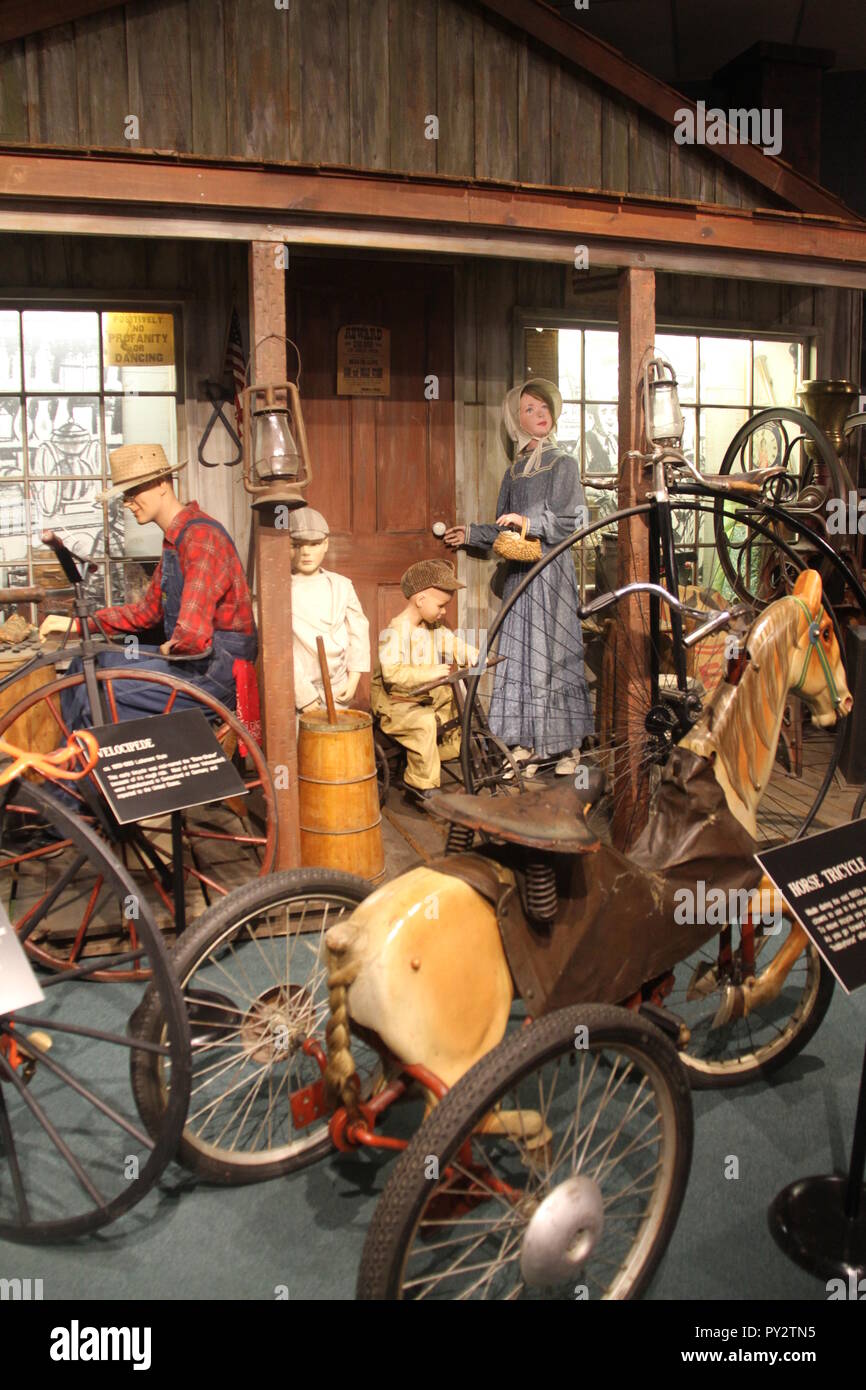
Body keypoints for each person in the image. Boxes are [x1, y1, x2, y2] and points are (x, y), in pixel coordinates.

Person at [39, 444, 257, 728]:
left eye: (133, 493)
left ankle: (82, 767)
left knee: (98, 691)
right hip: (192, 661)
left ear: (161, 485)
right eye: (125, 496)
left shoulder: (201, 538)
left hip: (215, 670)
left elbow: (191, 637)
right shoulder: (174, 540)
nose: (128, 503)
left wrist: (175, 646)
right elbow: (147, 612)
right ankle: (66, 761)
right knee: (86, 665)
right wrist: (82, 625)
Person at [445, 378, 592, 775]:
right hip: (519, 578)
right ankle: (527, 744)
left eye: (543, 406)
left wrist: (530, 521)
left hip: (550, 575)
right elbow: (502, 527)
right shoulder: (513, 474)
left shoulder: (563, 463)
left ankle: (566, 750)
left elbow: (575, 520)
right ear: (516, 420)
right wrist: (472, 534)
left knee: (553, 656)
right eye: (529, 409)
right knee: (522, 658)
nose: (539, 414)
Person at [371, 560, 478, 800]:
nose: (443, 612)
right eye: (441, 606)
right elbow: (392, 674)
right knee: (425, 723)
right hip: (396, 703)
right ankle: (420, 783)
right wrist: (430, 674)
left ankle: (439, 758)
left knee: (457, 707)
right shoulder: (396, 632)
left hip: (423, 696)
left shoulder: (433, 627)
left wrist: (469, 652)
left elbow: (451, 643)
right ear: (421, 601)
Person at [289, 506, 370, 714]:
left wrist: (354, 678)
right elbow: (279, 649)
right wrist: (303, 695)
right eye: (297, 545)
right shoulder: (280, 591)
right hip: (300, 691)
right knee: (305, 744)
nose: (306, 552)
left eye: (314, 544)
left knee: (339, 743)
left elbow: (358, 631)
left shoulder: (341, 585)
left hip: (338, 687)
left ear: (325, 544)